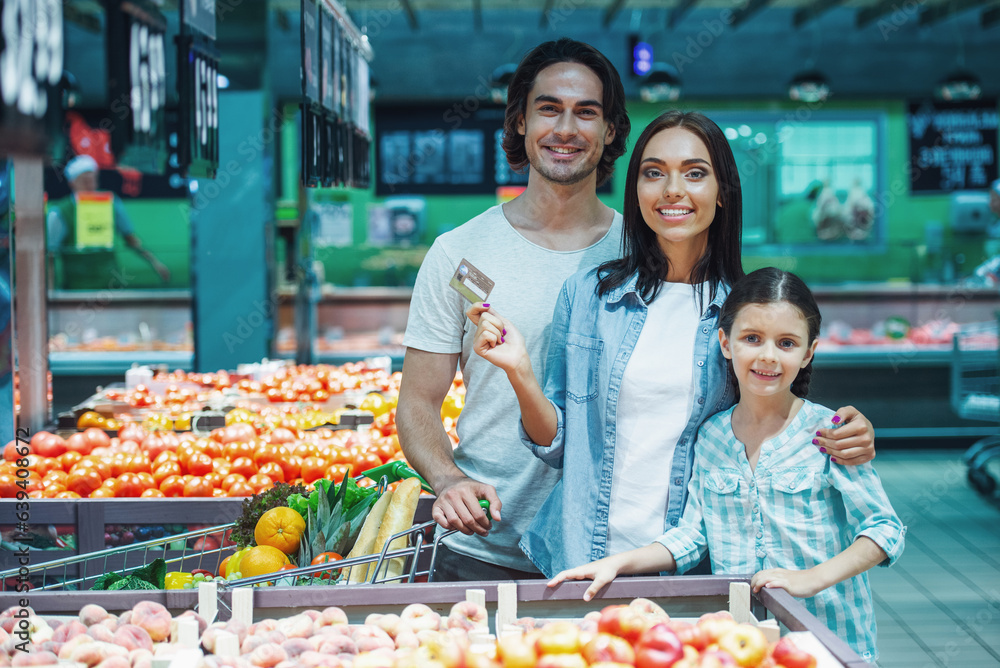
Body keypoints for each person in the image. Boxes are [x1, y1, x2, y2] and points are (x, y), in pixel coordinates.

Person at [469, 110, 877, 579]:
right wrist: (519, 371)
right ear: (636, 189)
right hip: (584, 556)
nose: (672, 190)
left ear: (722, 192)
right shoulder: (589, 295)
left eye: (695, 173)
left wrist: (850, 431)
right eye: (653, 172)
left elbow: (781, 421)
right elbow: (557, 445)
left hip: (700, 563)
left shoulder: (742, 314)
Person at [547, 267, 905, 663]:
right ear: (725, 342)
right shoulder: (712, 435)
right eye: (752, 339)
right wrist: (618, 563)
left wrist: (811, 579)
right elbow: (693, 535)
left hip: (829, 642)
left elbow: (885, 529)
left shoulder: (829, 433)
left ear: (808, 353)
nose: (767, 356)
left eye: (786, 343)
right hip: (745, 644)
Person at [397, 38, 631, 581]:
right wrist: (447, 479)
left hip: (614, 551)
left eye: (586, 113)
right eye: (548, 108)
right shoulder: (459, 254)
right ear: (521, 122)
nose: (566, 129)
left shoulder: (644, 253)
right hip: (482, 547)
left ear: (611, 131)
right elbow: (417, 401)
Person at [46, 154, 170, 289]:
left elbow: (130, 238)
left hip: (110, 285)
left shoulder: (110, 203)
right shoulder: (60, 212)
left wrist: (155, 262)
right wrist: (50, 292)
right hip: (77, 287)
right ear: (72, 182)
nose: (89, 180)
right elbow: (50, 255)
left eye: (92, 175)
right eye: (84, 177)